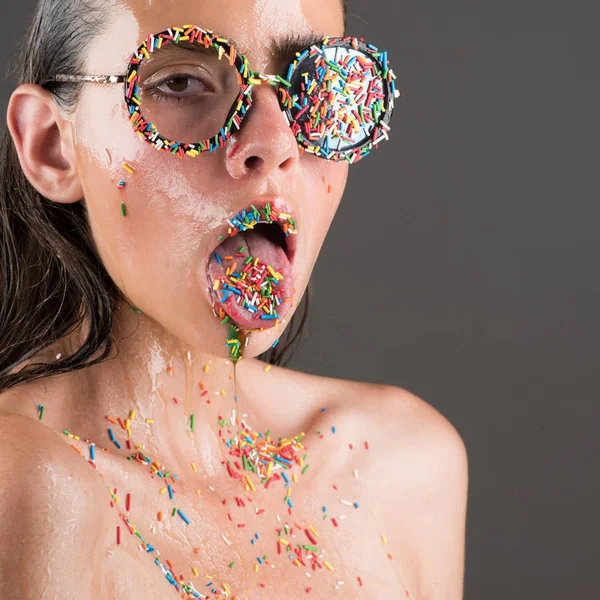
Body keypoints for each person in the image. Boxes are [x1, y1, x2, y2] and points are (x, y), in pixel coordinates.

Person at [0, 0, 468, 598]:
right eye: (182, 82)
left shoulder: (403, 465)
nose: (274, 143)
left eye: (318, 85)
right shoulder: (29, 485)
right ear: (51, 147)